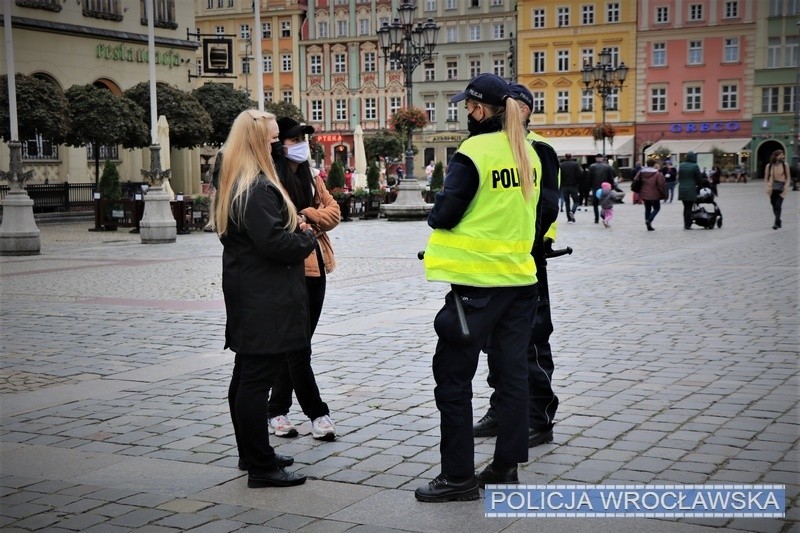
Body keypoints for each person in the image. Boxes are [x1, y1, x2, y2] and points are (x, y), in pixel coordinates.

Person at [417, 73, 540, 503]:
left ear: (480, 109)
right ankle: (506, 467)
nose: (464, 113)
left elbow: (446, 214)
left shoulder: (473, 151)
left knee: (452, 381)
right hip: (521, 282)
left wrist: (435, 211)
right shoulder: (529, 151)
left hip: (476, 288)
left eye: (467, 107)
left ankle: (457, 477)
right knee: (512, 378)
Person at [214, 109, 317, 489]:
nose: (280, 146)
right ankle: (260, 465)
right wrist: (305, 236)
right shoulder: (254, 187)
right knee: (256, 379)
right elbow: (274, 242)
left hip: (252, 289)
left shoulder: (240, 181)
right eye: (274, 140)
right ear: (258, 142)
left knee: (247, 375)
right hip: (263, 294)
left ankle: (253, 452)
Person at [472, 82, 560, 451]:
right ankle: (501, 409)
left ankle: (538, 417)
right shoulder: (491, 148)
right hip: (490, 265)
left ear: (522, 109)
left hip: (526, 262)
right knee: (496, 343)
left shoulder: (538, 149)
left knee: (532, 341)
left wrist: (534, 242)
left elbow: (547, 205)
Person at [266, 117, 340, 441]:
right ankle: (317, 413)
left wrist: (308, 215)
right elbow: (284, 223)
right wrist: (304, 220)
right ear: (280, 144)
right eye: (294, 139)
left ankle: (276, 411)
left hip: (318, 267)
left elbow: (334, 213)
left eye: (303, 139)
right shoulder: (272, 180)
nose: (301, 145)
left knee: (295, 346)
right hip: (291, 269)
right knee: (299, 347)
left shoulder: (312, 176)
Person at [635, 158, 667, 231]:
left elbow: (636, 180)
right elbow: (661, 184)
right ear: (654, 164)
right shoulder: (657, 173)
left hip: (644, 193)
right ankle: (649, 220)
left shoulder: (641, 172)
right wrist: (663, 194)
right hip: (654, 194)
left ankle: (648, 225)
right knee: (657, 208)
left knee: (647, 209)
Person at [764, 149, 790, 230]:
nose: (783, 156)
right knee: (773, 205)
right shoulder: (769, 166)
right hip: (772, 188)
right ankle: (778, 221)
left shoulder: (785, 165)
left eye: (783, 155)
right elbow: (766, 178)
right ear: (776, 156)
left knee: (778, 205)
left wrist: (786, 186)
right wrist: (767, 186)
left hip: (782, 188)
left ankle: (776, 223)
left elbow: (788, 177)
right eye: (781, 155)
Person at [588, 154, 616, 223]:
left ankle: (596, 218)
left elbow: (589, 178)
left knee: (595, 204)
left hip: (595, 188)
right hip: (605, 188)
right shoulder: (607, 167)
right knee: (605, 203)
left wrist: (589, 187)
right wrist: (612, 187)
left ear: (596, 158)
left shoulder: (592, 167)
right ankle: (604, 217)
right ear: (602, 158)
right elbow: (611, 178)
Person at [678, 151, 703, 230]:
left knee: (685, 207)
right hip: (691, 189)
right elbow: (699, 178)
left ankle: (686, 223)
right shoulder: (695, 166)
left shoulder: (681, 166)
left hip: (682, 189)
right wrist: (699, 187)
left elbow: (679, 177)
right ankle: (687, 225)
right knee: (689, 207)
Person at [559, 153, 582, 222]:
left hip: (564, 186)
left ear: (565, 157)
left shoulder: (561, 165)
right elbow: (580, 174)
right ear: (571, 157)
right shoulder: (575, 164)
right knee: (576, 201)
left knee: (567, 203)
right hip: (573, 186)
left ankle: (569, 218)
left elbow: (559, 175)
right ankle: (572, 211)